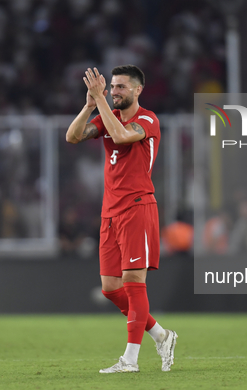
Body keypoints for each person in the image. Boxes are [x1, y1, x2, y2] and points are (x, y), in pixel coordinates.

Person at [66, 65, 177, 373]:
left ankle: (130, 360)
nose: (114, 92)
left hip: (138, 206)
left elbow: (120, 135)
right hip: (110, 211)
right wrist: (90, 104)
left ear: (138, 90)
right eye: (112, 87)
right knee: (110, 287)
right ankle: (161, 335)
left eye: (120, 87)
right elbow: (72, 136)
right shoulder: (104, 115)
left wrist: (100, 100)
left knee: (133, 282)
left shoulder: (147, 120)